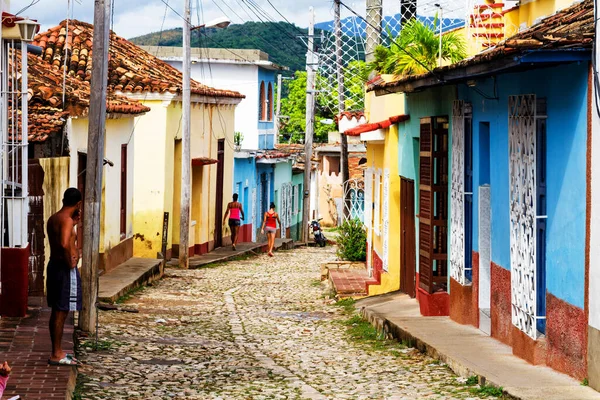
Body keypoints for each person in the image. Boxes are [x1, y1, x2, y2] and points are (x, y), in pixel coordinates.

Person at [46, 188, 82, 366]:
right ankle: (56, 353)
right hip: (64, 269)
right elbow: (63, 242)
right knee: (62, 311)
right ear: (78, 204)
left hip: (54, 266)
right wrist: (71, 259)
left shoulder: (55, 218)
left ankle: (57, 350)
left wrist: (74, 225)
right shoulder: (66, 221)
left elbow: (63, 236)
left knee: (57, 310)